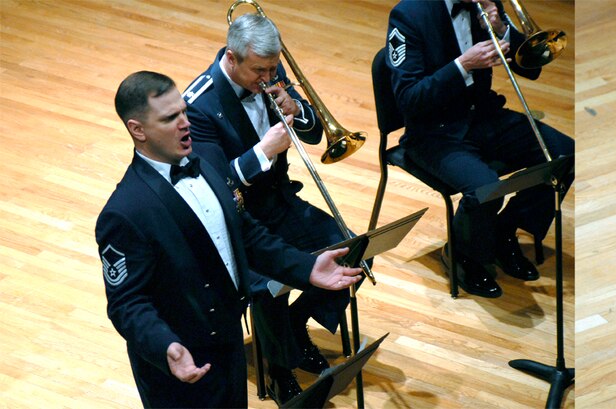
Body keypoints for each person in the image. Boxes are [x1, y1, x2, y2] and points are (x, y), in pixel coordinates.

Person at [96, 71, 362, 407]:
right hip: (181, 363)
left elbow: (247, 235)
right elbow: (126, 302)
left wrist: (307, 267)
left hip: (228, 335)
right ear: (138, 129)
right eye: (170, 118)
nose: (185, 123)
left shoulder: (204, 164)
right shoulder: (124, 213)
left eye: (183, 112)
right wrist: (166, 346)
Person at [182, 12, 347, 402]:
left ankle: (294, 324)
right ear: (232, 58)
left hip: (280, 201)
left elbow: (314, 132)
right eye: (259, 69)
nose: (267, 77)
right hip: (238, 218)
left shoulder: (270, 72)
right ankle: (277, 370)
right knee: (270, 288)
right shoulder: (200, 106)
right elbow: (215, 186)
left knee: (350, 252)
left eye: (273, 69)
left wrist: (295, 106)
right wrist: (262, 152)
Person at [385, 0, 574, 298]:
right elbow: (409, 98)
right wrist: (463, 65)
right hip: (434, 132)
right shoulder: (409, 15)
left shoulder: (484, 4)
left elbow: (532, 67)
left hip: (484, 116)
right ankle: (461, 254)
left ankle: (504, 231)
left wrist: (501, 29)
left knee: (563, 153)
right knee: (485, 188)